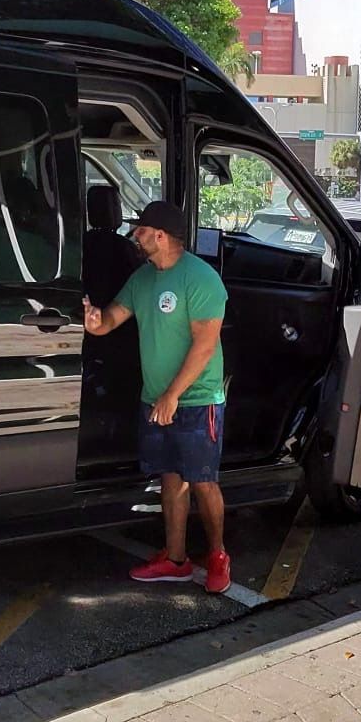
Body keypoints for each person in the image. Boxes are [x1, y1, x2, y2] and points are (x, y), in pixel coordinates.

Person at [83, 198, 231, 593]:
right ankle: (177, 559)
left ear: (161, 236)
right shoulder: (144, 278)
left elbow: (204, 346)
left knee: (202, 481)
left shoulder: (200, 279)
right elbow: (114, 317)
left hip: (197, 399)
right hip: (157, 398)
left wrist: (172, 396)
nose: (135, 235)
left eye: (142, 230)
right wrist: (97, 322)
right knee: (170, 479)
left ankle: (217, 555)